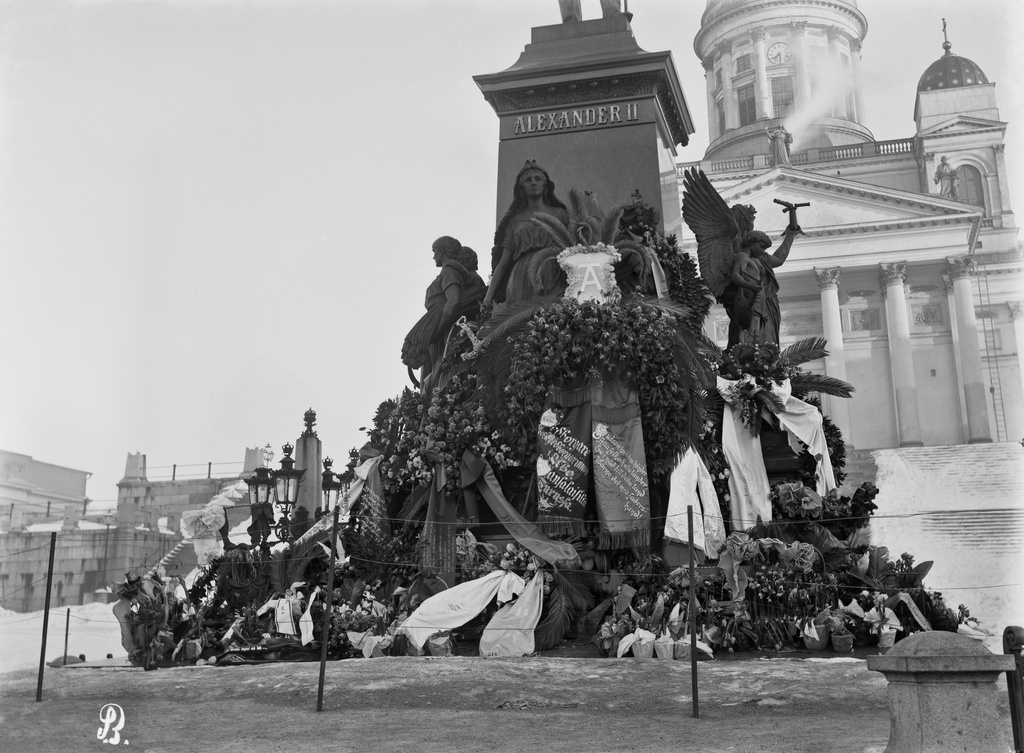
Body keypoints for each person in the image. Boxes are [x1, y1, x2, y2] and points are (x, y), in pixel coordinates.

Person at [402, 236, 486, 385]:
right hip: (441, 327)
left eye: (435, 252)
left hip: (445, 330)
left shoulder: (449, 272)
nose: (434, 256)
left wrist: (436, 331)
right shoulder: (450, 271)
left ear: (441, 251)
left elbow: (453, 302)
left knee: (441, 375)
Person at [486, 161, 571, 307]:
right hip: (521, 275)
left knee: (554, 317)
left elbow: (575, 246)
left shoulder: (560, 214)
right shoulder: (514, 221)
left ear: (545, 185)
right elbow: (504, 261)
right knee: (521, 323)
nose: (533, 182)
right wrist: (489, 296)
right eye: (528, 180)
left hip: (554, 271)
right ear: (521, 189)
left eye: (538, 179)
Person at [722, 227, 798, 347]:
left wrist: (790, 235)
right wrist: (751, 286)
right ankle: (752, 351)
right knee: (752, 327)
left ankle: (758, 353)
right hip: (750, 298)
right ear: (751, 242)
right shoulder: (742, 256)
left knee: (766, 333)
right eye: (761, 246)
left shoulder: (761, 258)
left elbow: (779, 259)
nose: (762, 251)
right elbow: (736, 275)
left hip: (766, 300)